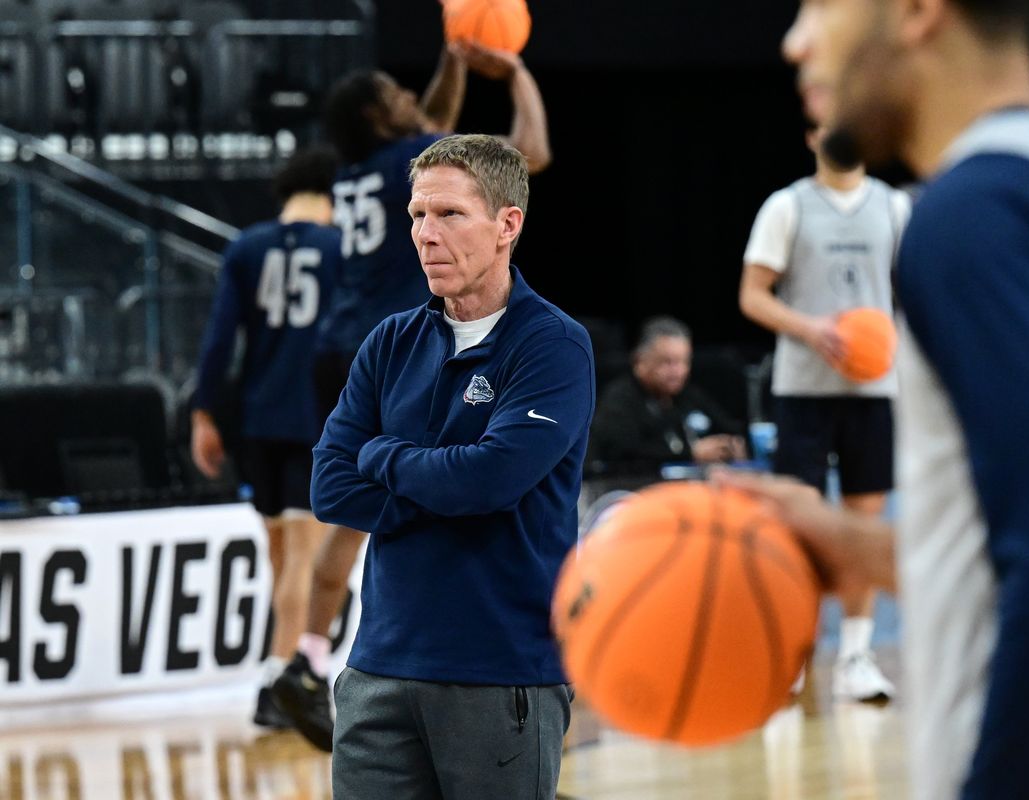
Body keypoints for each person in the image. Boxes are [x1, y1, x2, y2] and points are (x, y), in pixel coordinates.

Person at [723, 0, 1029, 798]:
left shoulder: (978, 216)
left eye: (821, 8)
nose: (795, 41)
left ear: (916, 11)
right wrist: (854, 543)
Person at [270, 43, 553, 751]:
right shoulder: (427, 164)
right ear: (376, 112)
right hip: (397, 347)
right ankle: (339, 656)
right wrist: (516, 75)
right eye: (394, 91)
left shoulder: (366, 168)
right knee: (435, 482)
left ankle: (305, 657)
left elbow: (432, 121)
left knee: (343, 513)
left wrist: (454, 59)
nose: (408, 97)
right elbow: (529, 158)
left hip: (340, 341)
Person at [311, 133, 593, 799]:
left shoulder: (553, 346)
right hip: (377, 668)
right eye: (417, 215)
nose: (426, 235)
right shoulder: (390, 341)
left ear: (507, 225)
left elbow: (488, 481)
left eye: (449, 215)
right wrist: (445, 483)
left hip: (500, 671)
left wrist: (382, 455)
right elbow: (329, 485)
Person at [739, 118, 910, 702]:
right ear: (809, 137)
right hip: (803, 388)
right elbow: (751, 295)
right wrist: (811, 328)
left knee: (865, 525)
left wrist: (893, 347)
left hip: (874, 390)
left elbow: (913, 294)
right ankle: (793, 651)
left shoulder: (894, 208)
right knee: (798, 529)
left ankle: (857, 658)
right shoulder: (787, 207)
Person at [190, 147, 341, 728]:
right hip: (314, 418)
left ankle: (276, 676)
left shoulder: (247, 247)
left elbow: (219, 339)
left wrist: (205, 413)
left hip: (257, 420)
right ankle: (280, 680)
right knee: (302, 560)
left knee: (281, 558)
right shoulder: (338, 248)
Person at [586, 316, 747, 477]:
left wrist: (732, 444)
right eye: (667, 362)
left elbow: (728, 427)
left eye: (684, 362)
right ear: (639, 361)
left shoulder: (688, 395)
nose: (678, 372)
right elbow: (625, 453)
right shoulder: (619, 400)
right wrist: (690, 454)